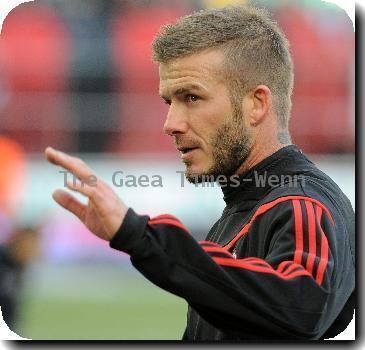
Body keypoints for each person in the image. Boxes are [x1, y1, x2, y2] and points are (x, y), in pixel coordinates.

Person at [45, 6, 355, 340]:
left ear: (257, 104)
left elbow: (301, 308)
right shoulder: (239, 213)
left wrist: (140, 235)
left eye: (192, 97)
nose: (171, 124)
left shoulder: (302, 205)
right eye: (169, 102)